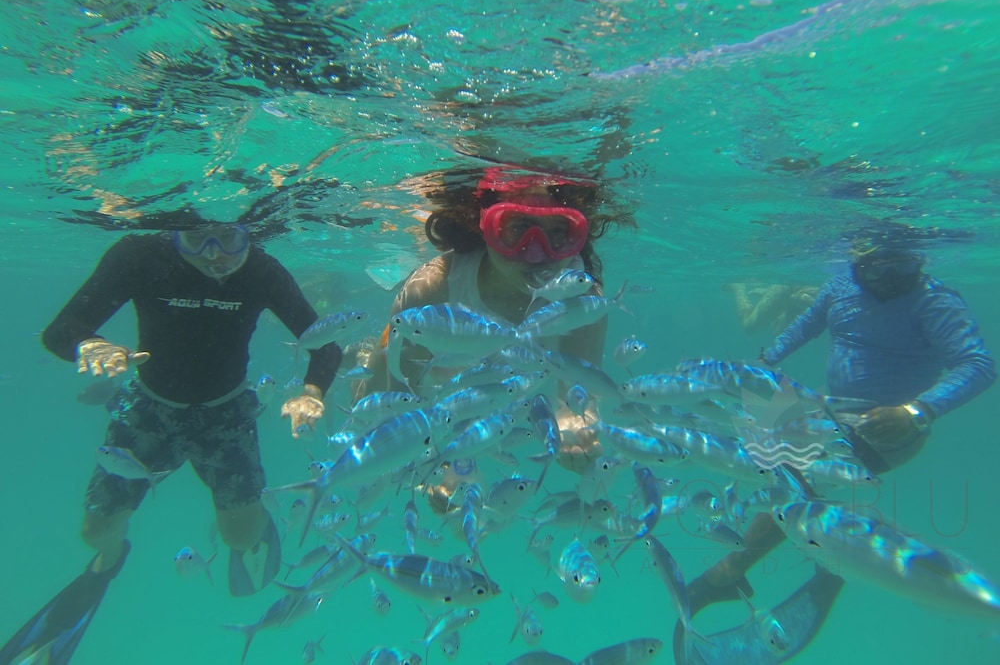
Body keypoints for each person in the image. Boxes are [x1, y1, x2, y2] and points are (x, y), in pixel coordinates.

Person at [678, 241, 996, 658]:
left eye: (903, 266)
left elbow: (978, 364)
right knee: (756, 451)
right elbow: (806, 325)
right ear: (857, 261)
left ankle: (738, 569)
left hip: (889, 431)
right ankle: (830, 557)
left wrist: (916, 412)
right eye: (878, 267)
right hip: (831, 412)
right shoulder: (841, 287)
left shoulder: (935, 301)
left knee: (795, 480)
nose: (891, 278)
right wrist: (766, 361)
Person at [39, 216, 343, 605]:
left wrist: (311, 393)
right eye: (197, 239)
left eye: (227, 238)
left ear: (246, 232)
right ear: (174, 233)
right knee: (95, 533)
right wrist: (89, 344)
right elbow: (60, 330)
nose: (213, 254)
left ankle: (255, 524)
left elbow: (326, 345)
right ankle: (112, 557)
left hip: (226, 414)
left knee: (240, 537)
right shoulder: (140, 256)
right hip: (148, 408)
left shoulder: (261, 271)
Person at [360, 165, 635, 483]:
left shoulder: (582, 300)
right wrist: (441, 467)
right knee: (369, 398)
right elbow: (400, 399)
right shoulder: (433, 287)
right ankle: (369, 348)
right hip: (433, 356)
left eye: (559, 232)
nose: (536, 253)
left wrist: (577, 428)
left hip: (481, 375)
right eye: (517, 227)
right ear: (483, 225)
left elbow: (576, 397)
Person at [723, 282, 817, 335]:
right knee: (748, 325)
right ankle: (739, 288)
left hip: (795, 290)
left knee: (777, 332)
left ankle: (770, 295)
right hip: (789, 287)